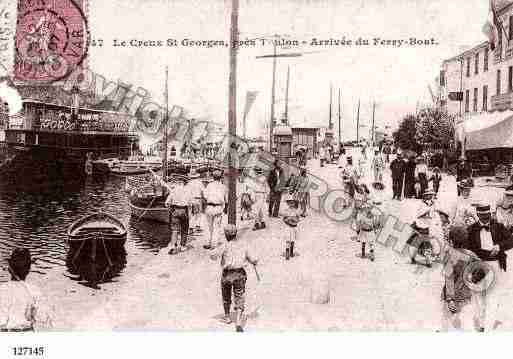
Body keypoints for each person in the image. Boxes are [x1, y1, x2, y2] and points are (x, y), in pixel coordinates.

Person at [464, 204, 513, 331]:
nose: (486, 218)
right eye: (483, 215)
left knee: (493, 295)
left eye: (488, 215)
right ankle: (481, 323)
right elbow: (465, 248)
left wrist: (499, 246)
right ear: (478, 215)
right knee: (478, 295)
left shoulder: (498, 226)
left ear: (491, 214)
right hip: (478, 265)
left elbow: (511, 240)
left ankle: (488, 325)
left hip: (495, 264)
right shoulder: (471, 229)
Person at [211, 224, 258, 332]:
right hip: (239, 273)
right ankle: (238, 321)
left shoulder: (224, 245)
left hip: (227, 274)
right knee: (239, 296)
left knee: (226, 295)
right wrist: (254, 262)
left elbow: (213, 256)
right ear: (235, 234)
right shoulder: (243, 245)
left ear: (226, 235)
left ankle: (227, 317)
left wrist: (215, 249)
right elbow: (253, 259)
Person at [441, 226, 486, 332]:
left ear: (451, 241)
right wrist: (473, 279)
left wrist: (450, 299)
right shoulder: (470, 254)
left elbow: (449, 278)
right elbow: (483, 269)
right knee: (468, 319)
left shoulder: (450, 255)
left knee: (448, 323)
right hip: (467, 293)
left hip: (452, 295)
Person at [0, 248, 53, 331]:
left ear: (10, 267)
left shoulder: (2, 289)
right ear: (28, 269)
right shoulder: (34, 291)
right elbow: (43, 318)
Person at [164, 177, 191, 254]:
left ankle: (173, 246)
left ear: (178, 182)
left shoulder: (173, 190)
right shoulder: (187, 190)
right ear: (184, 182)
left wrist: (171, 210)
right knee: (184, 228)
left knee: (174, 229)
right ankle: (182, 246)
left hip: (175, 210)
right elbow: (190, 203)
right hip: (184, 210)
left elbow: (166, 203)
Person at [203, 170, 227, 250]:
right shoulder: (223, 186)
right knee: (216, 226)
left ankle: (207, 242)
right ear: (221, 177)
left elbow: (205, 196)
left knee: (209, 226)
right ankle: (214, 244)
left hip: (209, 206)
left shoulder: (209, 185)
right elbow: (226, 199)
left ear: (213, 177)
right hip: (218, 207)